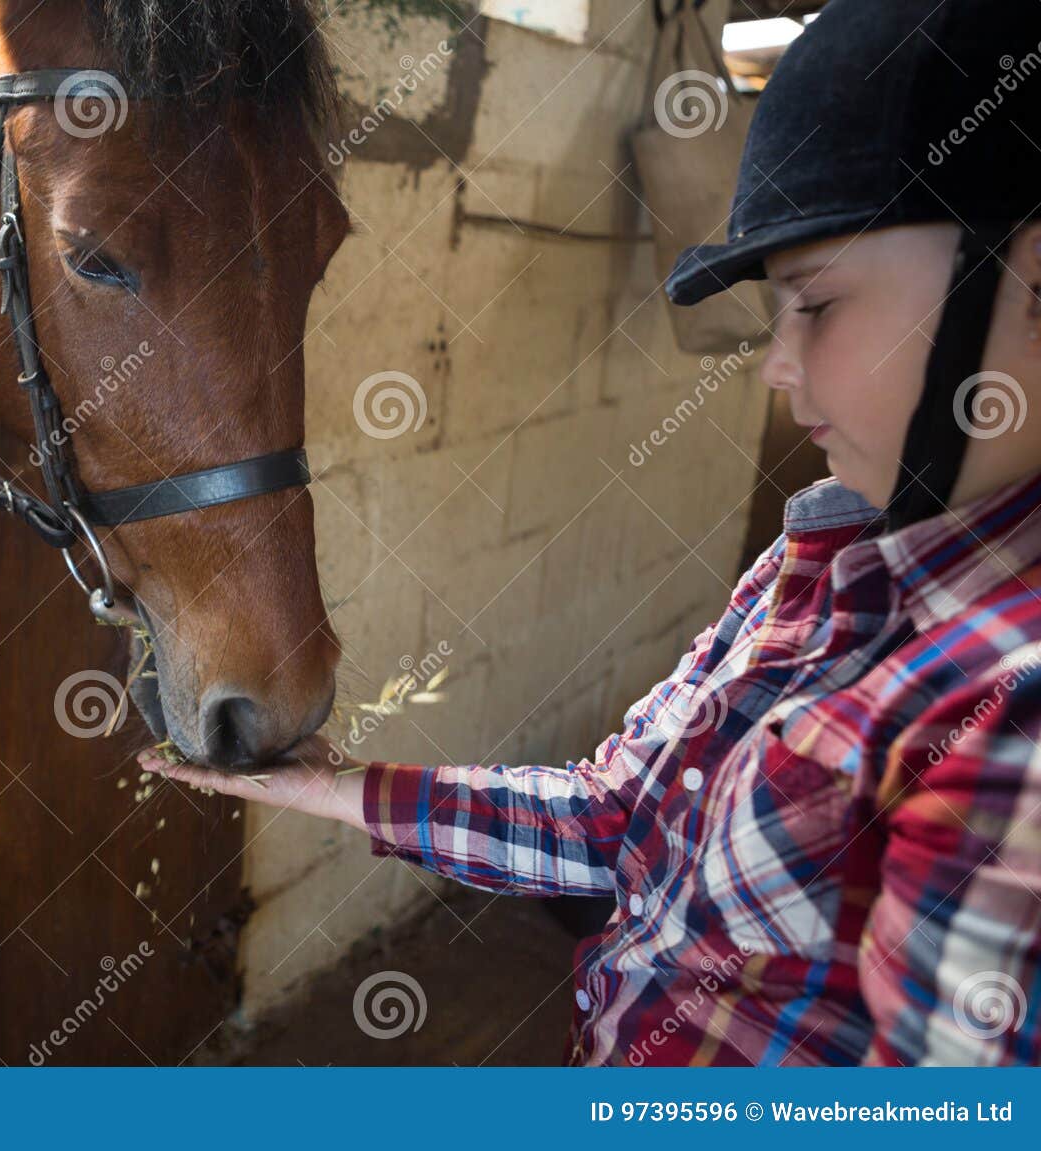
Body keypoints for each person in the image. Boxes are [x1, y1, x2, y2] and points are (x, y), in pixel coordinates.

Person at [138, 0, 1041, 1065]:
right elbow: (613, 816)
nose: (775, 365)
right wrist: (330, 788)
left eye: (816, 303)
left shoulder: (1007, 712)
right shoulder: (813, 564)